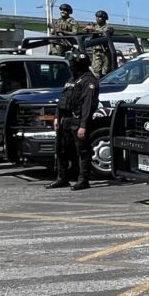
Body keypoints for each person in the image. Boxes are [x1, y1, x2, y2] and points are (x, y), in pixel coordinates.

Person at [47, 50, 100, 191]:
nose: (71, 66)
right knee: (62, 150)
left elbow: (88, 104)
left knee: (82, 152)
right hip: (65, 119)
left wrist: (83, 125)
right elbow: (63, 99)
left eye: (73, 64)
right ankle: (62, 178)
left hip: (78, 120)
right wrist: (57, 117)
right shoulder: (72, 79)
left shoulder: (89, 81)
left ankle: (83, 180)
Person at [84, 9, 114, 78]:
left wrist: (93, 29)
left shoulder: (108, 27)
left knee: (106, 70)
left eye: (99, 17)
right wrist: (87, 29)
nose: (97, 19)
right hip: (96, 51)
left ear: (104, 18)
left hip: (105, 51)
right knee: (96, 70)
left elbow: (106, 31)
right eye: (96, 17)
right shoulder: (95, 26)